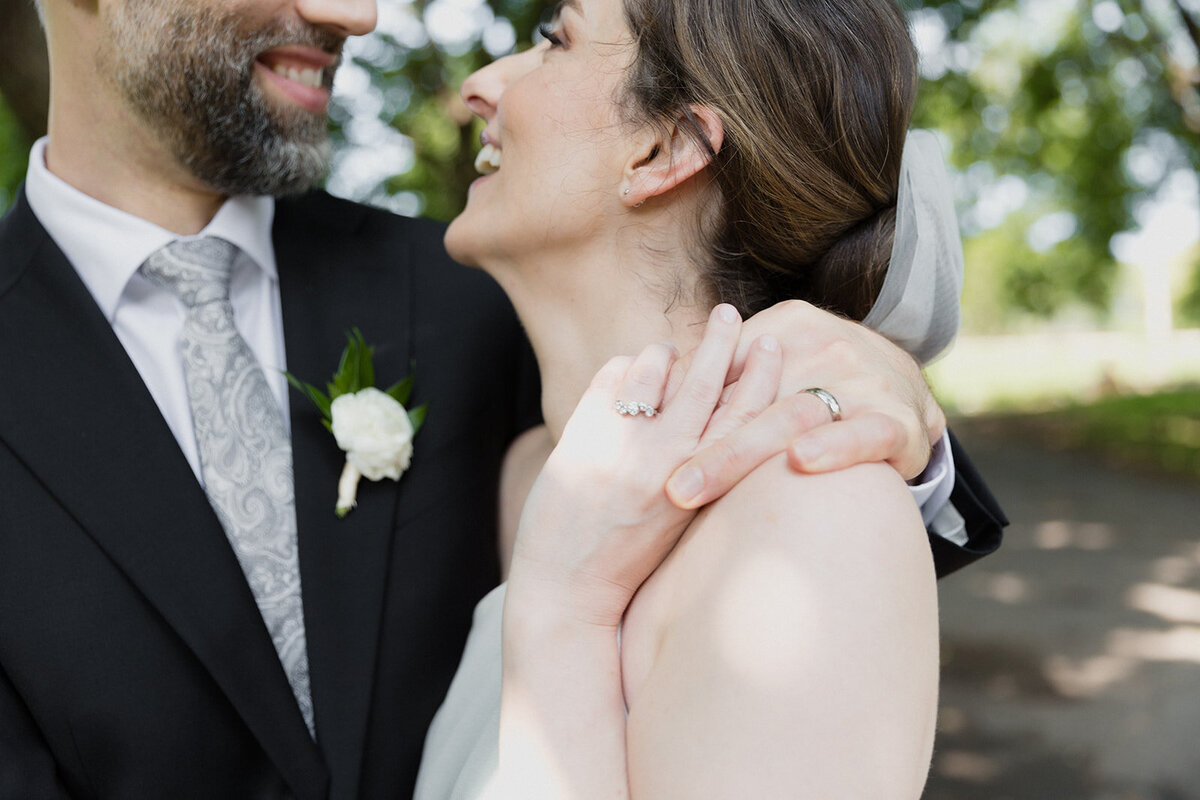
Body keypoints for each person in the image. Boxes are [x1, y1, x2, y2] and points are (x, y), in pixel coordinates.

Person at [0, 0, 1003, 798]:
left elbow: (761, 539)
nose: (357, 13)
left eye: (550, 37)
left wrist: (886, 425)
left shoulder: (468, 302)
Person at [413, 0, 998, 797]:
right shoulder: (527, 475)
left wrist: (564, 612)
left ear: (664, 148)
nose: (479, 86)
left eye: (555, 38)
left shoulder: (811, 510)